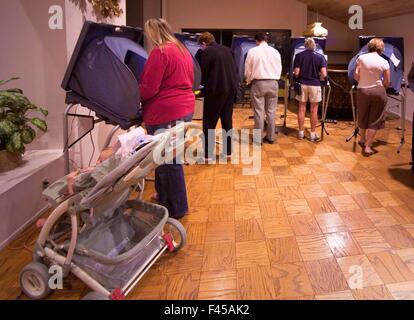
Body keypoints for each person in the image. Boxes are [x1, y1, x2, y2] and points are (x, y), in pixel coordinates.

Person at [139, 18, 195, 219]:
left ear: (152, 33)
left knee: (169, 159)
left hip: (166, 111)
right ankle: (164, 198)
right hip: (184, 107)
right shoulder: (182, 50)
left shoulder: (160, 52)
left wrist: (135, 92)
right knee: (164, 157)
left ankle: (178, 207)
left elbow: (149, 88)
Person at [197, 32, 239, 161]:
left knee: (209, 123)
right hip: (230, 90)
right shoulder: (227, 50)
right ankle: (228, 153)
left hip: (215, 91)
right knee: (227, 121)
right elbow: (235, 70)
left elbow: (203, 74)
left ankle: (208, 155)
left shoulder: (207, 52)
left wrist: (200, 86)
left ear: (204, 43)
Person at [354, 38, 390, 156]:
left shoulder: (361, 58)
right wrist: (381, 88)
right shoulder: (384, 61)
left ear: (369, 46)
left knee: (363, 115)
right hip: (378, 91)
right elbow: (387, 82)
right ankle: (368, 146)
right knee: (375, 120)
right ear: (381, 48)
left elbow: (356, 76)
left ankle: (362, 139)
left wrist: (363, 81)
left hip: (363, 90)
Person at [245, 33, 282, 145]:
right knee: (271, 112)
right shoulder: (275, 52)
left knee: (259, 112)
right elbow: (279, 68)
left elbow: (247, 70)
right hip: (273, 83)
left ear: (256, 41)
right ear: (265, 40)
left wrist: (248, 81)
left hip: (259, 83)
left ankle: (258, 139)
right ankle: (271, 138)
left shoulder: (253, 51)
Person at [293, 37, 327, 142]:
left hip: (302, 84)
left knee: (301, 109)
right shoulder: (320, 57)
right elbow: (324, 74)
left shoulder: (299, 56)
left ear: (305, 45)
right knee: (314, 110)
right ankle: (312, 134)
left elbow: (297, 73)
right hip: (315, 85)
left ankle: (301, 133)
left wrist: (294, 75)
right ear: (314, 46)